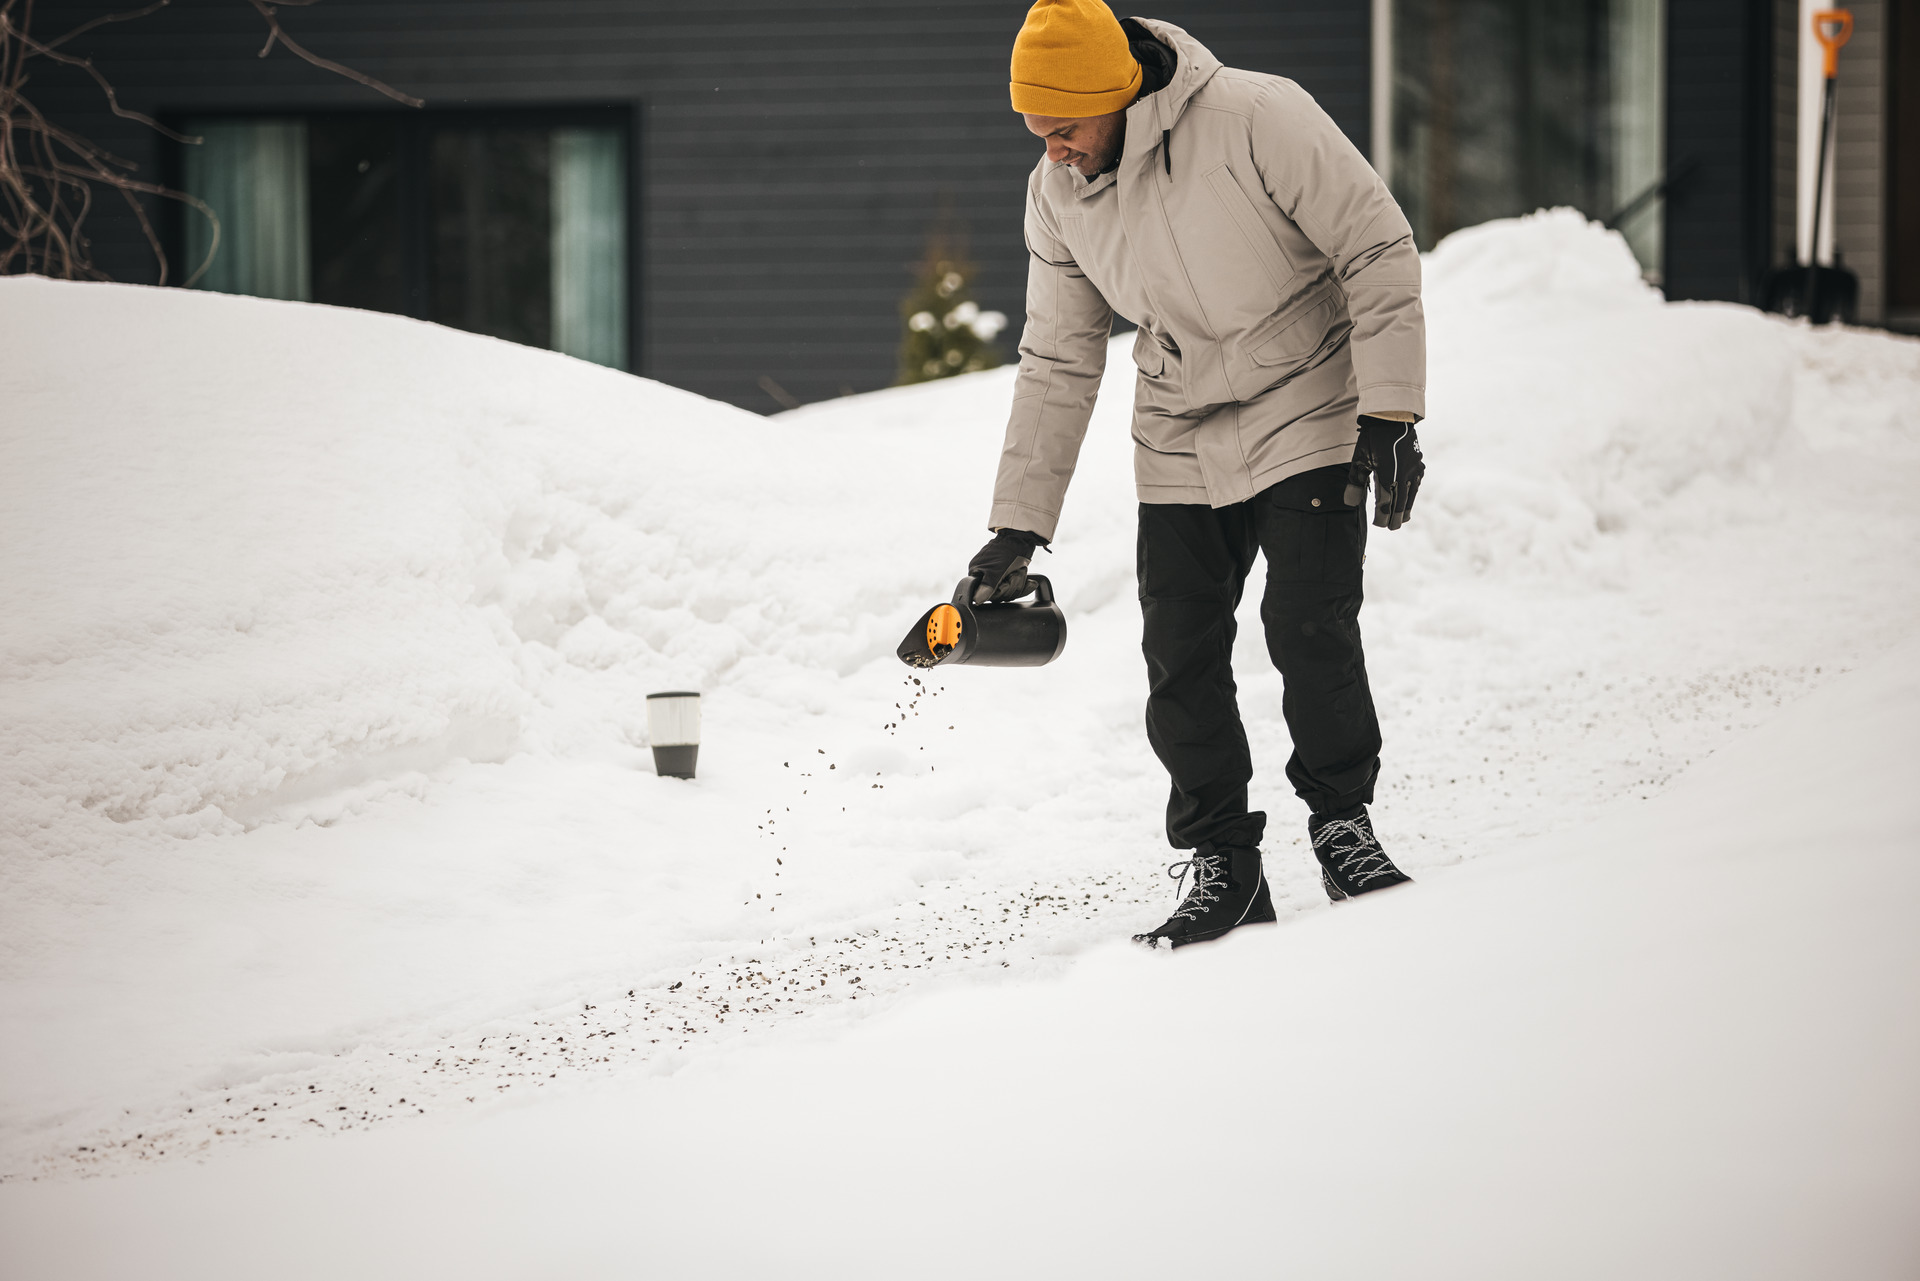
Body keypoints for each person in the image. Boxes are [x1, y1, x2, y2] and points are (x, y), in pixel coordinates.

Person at [966, 0, 1427, 949]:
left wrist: (1389, 409)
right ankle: (1226, 862)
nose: (1052, 150)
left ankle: (1344, 825)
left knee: (1306, 624)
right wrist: (1019, 523)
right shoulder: (1056, 195)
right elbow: (1058, 356)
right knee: (1180, 654)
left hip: (1308, 395)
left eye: (1064, 128)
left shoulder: (1257, 117)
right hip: (1178, 421)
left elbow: (1375, 244)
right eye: (1034, 132)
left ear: (1118, 93)